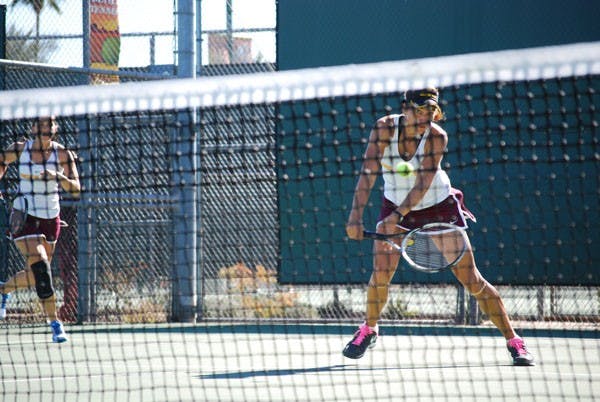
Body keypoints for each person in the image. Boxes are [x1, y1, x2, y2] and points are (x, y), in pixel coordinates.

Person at [343, 88, 534, 366]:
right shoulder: (384, 129)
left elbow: (422, 183)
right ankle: (368, 330)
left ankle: (514, 341)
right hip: (394, 205)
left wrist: (396, 216)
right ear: (404, 108)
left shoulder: (436, 136)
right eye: (418, 111)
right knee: (381, 273)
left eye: (429, 112)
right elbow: (367, 174)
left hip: (438, 207)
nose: (424, 117)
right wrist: (355, 217)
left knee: (472, 279)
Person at [0, 116, 80, 343]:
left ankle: (3, 290)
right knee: (43, 270)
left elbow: (76, 190)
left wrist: (58, 176)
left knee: (35, 276)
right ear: (32, 127)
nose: (44, 127)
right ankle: (56, 324)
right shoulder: (19, 149)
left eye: (48, 124)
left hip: (51, 219)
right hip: (24, 216)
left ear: (54, 128)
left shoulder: (63, 154)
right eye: (39, 123)